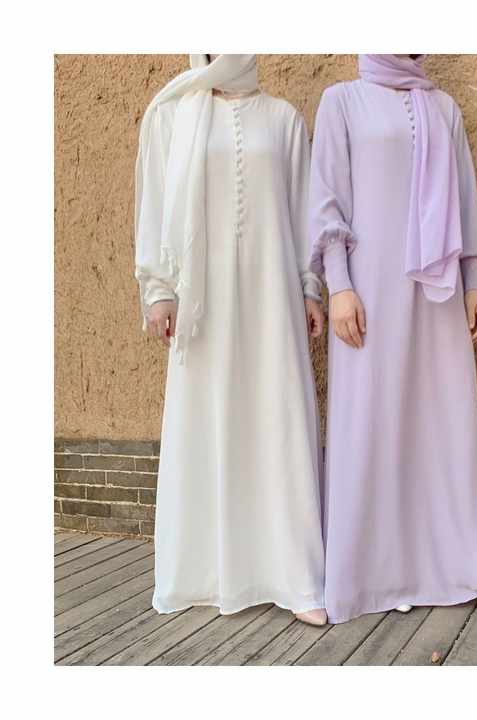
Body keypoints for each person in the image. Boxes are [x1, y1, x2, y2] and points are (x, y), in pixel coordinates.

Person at [309, 54, 477, 624]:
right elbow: (327, 198)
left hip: (438, 291)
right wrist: (339, 286)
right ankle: (383, 576)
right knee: (373, 421)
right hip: (368, 291)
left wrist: (473, 284)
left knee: (451, 418)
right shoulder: (342, 101)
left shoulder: (444, 108)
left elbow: (464, 201)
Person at [135, 54, 327, 625]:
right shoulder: (173, 115)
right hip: (204, 303)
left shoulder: (284, 119)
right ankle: (206, 573)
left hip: (272, 299)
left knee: (277, 419)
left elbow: (304, 212)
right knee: (208, 420)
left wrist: (310, 286)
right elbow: (156, 205)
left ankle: (295, 577)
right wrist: (158, 289)